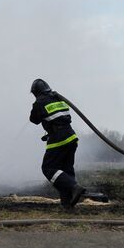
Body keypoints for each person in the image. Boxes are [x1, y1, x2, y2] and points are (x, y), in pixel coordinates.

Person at [29, 78, 87, 209]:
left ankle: (74, 187)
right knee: (66, 171)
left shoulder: (39, 102)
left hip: (58, 138)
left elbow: (33, 120)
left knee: (48, 168)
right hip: (71, 137)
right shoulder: (58, 99)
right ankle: (67, 204)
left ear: (36, 92)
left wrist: (37, 106)